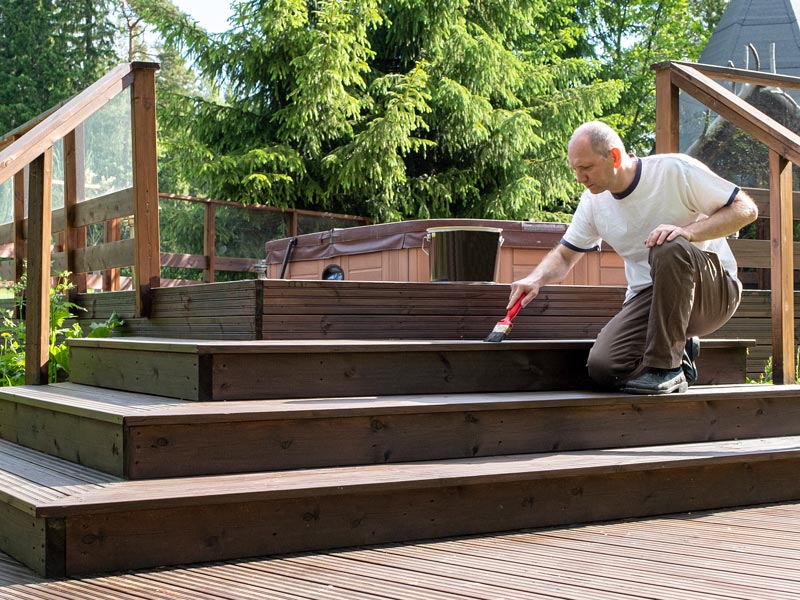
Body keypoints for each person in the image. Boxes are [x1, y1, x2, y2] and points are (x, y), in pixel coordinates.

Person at [508, 121, 758, 394]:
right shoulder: (593, 203)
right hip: (652, 298)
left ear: (614, 156)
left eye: (587, 168)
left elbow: (746, 209)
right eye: (575, 169)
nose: (580, 177)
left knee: (668, 244)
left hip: (712, 291)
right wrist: (535, 279)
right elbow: (566, 256)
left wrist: (687, 233)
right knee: (605, 368)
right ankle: (680, 352)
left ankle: (667, 369)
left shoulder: (673, 170)